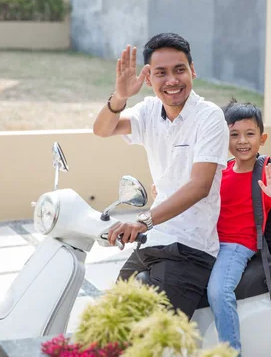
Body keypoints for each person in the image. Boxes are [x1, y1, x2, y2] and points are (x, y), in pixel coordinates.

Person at [92, 33, 229, 319]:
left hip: (190, 249)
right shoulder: (149, 111)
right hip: (153, 241)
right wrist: (120, 96)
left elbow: (199, 186)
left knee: (158, 340)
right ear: (149, 78)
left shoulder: (209, 117)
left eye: (179, 69)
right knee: (110, 322)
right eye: (161, 73)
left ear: (193, 70)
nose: (172, 81)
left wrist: (143, 220)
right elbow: (103, 129)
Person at [205, 100, 271, 355]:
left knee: (219, 292)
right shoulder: (220, 171)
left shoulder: (268, 172)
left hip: (236, 246)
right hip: (208, 242)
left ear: (262, 138)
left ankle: (231, 352)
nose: (242, 141)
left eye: (250, 134)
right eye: (234, 135)